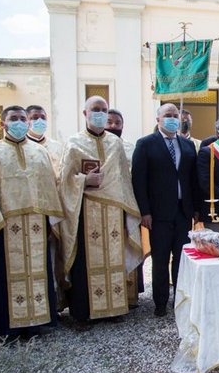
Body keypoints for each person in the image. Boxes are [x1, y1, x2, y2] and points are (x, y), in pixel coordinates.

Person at [0, 105, 64, 337]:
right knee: (5, 275)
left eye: (22, 119)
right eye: (13, 118)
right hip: (5, 226)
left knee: (38, 271)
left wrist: (50, 221)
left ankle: (38, 322)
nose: (19, 122)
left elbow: (49, 186)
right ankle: (7, 326)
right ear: (2, 124)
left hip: (37, 223)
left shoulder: (40, 152)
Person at [57, 95, 142, 323]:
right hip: (86, 211)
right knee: (85, 262)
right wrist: (84, 180)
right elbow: (64, 180)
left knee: (114, 258)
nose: (100, 113)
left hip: (113, 212)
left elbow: (124, 180)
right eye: (96, 109)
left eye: (104, 109)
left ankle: (113, 309)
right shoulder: (74, 143)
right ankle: (83, 314)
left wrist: (128, 212)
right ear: (85, 113)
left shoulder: (115, 144)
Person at [132, 103, 200, 317]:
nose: (172, 118)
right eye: (167, 115)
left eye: (175, 115)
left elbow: (193, 180)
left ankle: (179, 301)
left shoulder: (188, 146)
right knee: (160, 260)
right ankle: (160, 303)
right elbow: (139, 180)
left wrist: (196, 208)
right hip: (158, 214)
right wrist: (145, 211)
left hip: (183, 212)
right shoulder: (145, 144)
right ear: (158, 119)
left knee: (181, 259)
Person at [106, 107, 145, 309]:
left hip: (127, 209)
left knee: (127, 248)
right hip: (99, 212)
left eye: (117, 123)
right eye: (109, 122)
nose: (113, 126)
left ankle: (129, 297)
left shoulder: (130, 148)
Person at [26, 105, 64, 176]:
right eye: (35, 117)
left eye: (43, 118)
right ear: (26, 121)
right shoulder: (21, 147)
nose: (40, 120)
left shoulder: (57, 147)